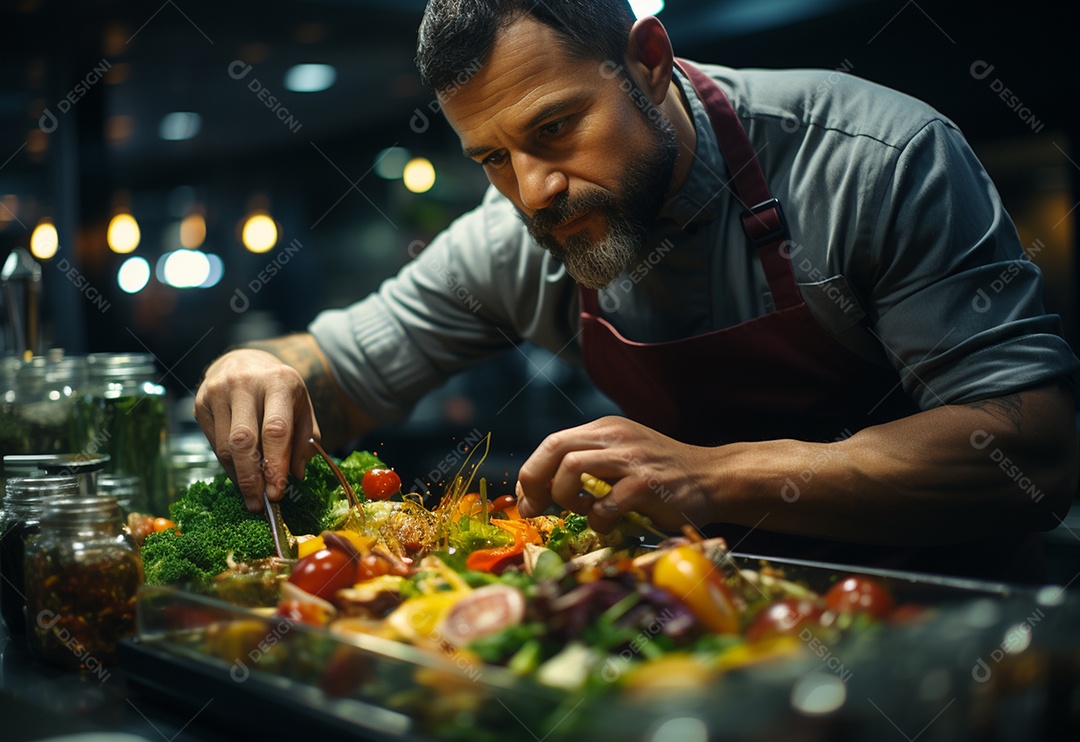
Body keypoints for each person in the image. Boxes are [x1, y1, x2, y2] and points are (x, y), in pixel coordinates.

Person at [196, 0, 1079, 582]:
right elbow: (333, 374)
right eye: (494, 158)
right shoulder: (515, 240)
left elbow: (1032, 450)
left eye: (555, 127)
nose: (533, 190)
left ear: (648, 60)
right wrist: (258, 369)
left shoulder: (869, 160)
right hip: (707, 632)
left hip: (955, 618)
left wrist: (715, 476)